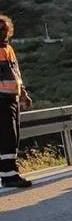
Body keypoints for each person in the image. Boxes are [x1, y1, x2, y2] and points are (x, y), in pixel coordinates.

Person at [0, 13, 33, 189]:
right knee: (6, 137)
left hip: (11, 98)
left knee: (13, 137)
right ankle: (9, 176)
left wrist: (23, 94)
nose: (3, 32)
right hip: (1, 100)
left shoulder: (8, 49)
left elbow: (16, 74)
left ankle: (8, 174)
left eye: (4, 29)